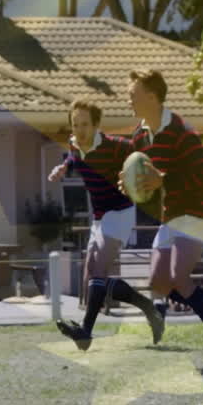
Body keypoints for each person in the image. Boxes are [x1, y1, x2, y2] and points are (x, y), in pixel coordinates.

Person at [123, 68, 203, 372]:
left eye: (132, 94)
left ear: (152, 97)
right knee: (158, 281)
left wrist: (164, 179)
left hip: (198, 211)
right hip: (171, 214)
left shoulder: (181, 131)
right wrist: (129, 185)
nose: (128, 100)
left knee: (177, 276)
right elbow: (144, 180)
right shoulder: (139, 136)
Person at [50, 98, 165, 349]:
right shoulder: (74, 144)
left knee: (99, 271)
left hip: (120, 212)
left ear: (96, 125)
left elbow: (142, 156)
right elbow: (73, 157)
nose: (80, 130)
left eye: (85, 124)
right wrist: (63, 167)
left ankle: (85, 332)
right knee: (92, 280)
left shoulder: (115, 146)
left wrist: (149, 174)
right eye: (75, 124)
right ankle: (149, 308)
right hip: (100, 216)